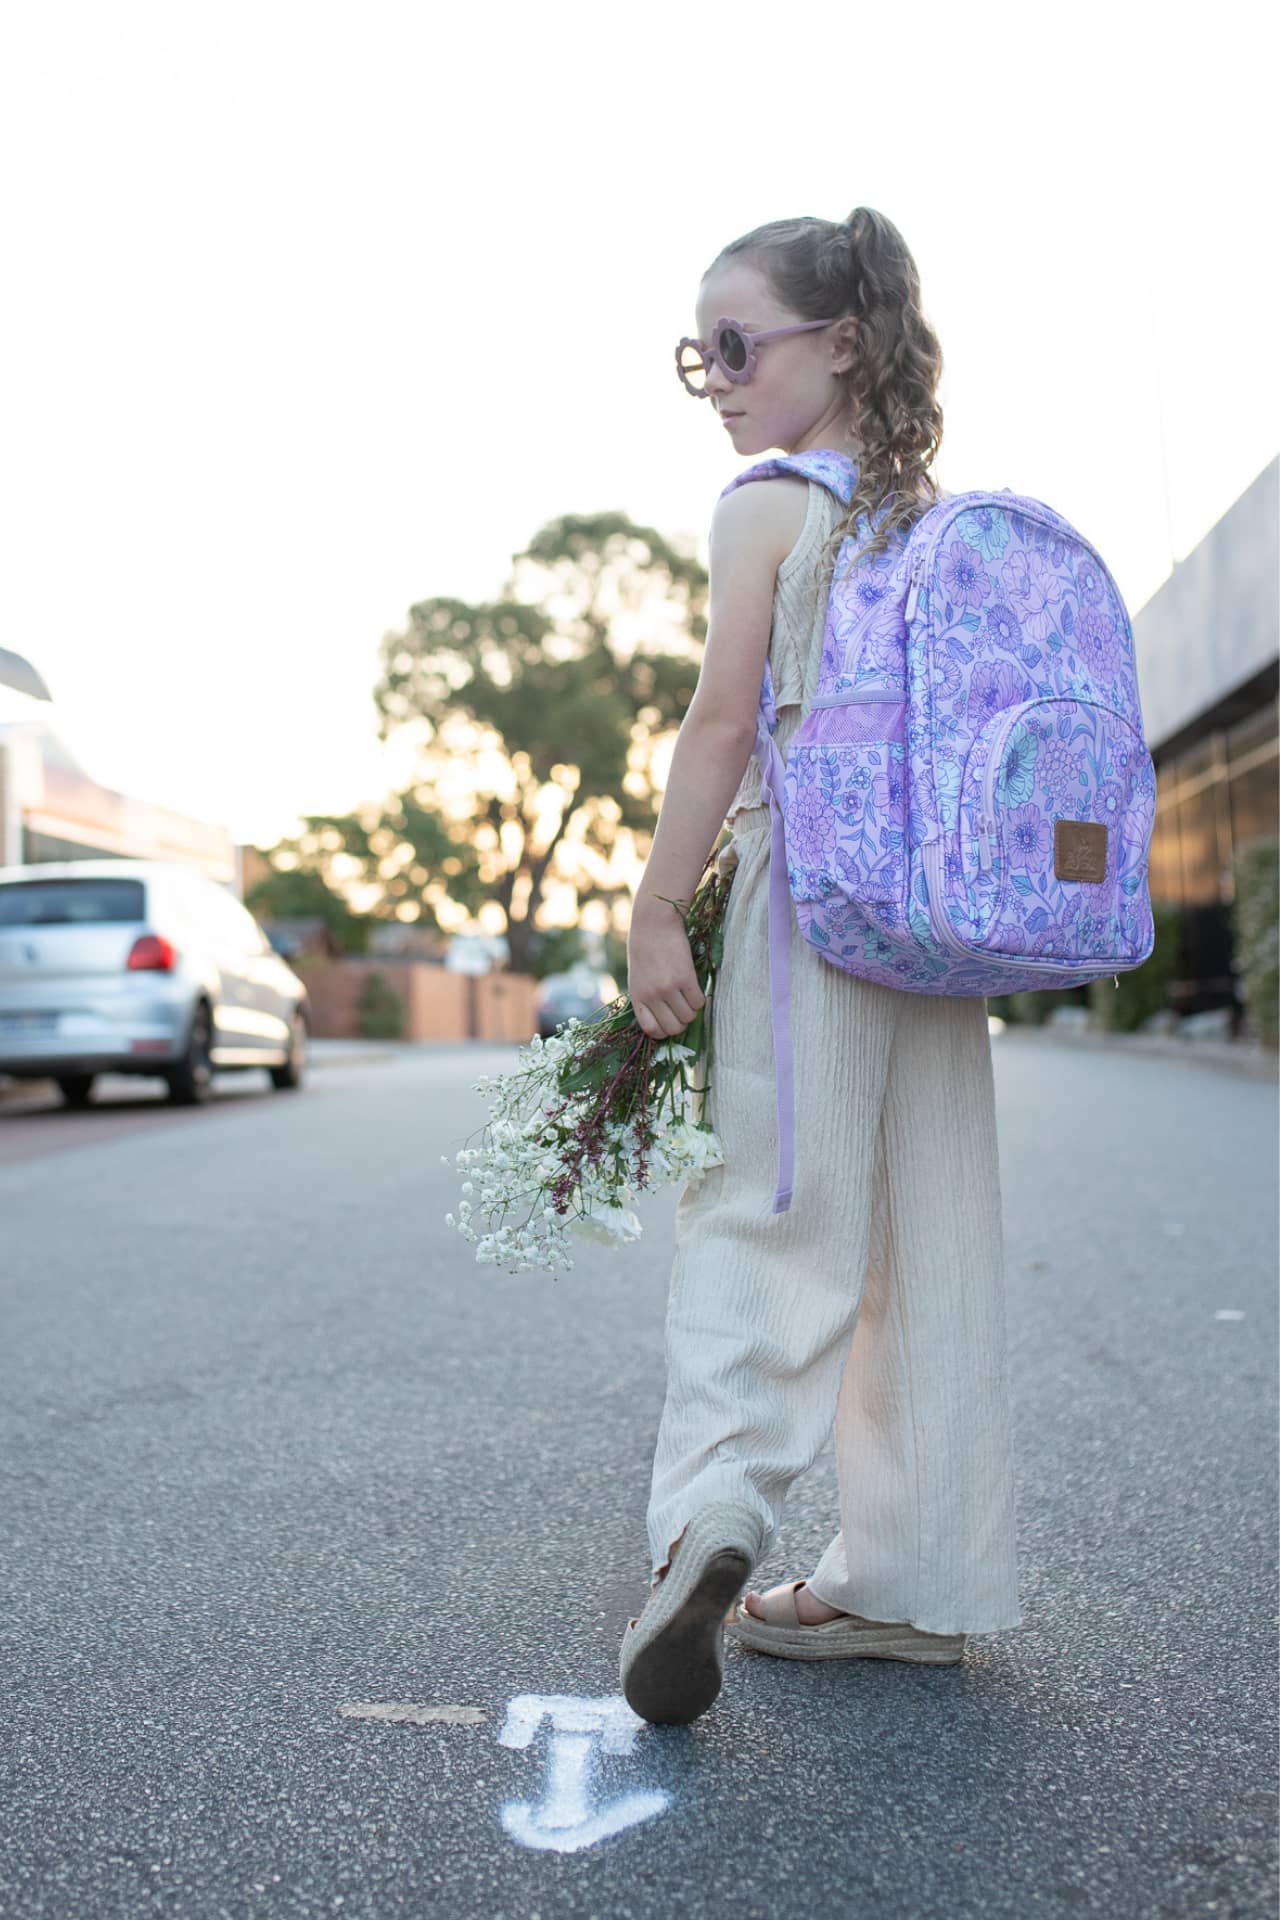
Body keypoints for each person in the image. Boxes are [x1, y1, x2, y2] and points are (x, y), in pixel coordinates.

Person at [617, 207, 1022, 1727]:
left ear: (838, 342)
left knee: (769, 1203)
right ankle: (914, 1584)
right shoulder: (934, 519)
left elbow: (725, 723)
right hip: (937, 926)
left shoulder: (767, 508)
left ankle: (714, 1511)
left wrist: (663, 903)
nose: (715, 381)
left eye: (737, 345)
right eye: (695, 356)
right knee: (929, 1234)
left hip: (814, 906)